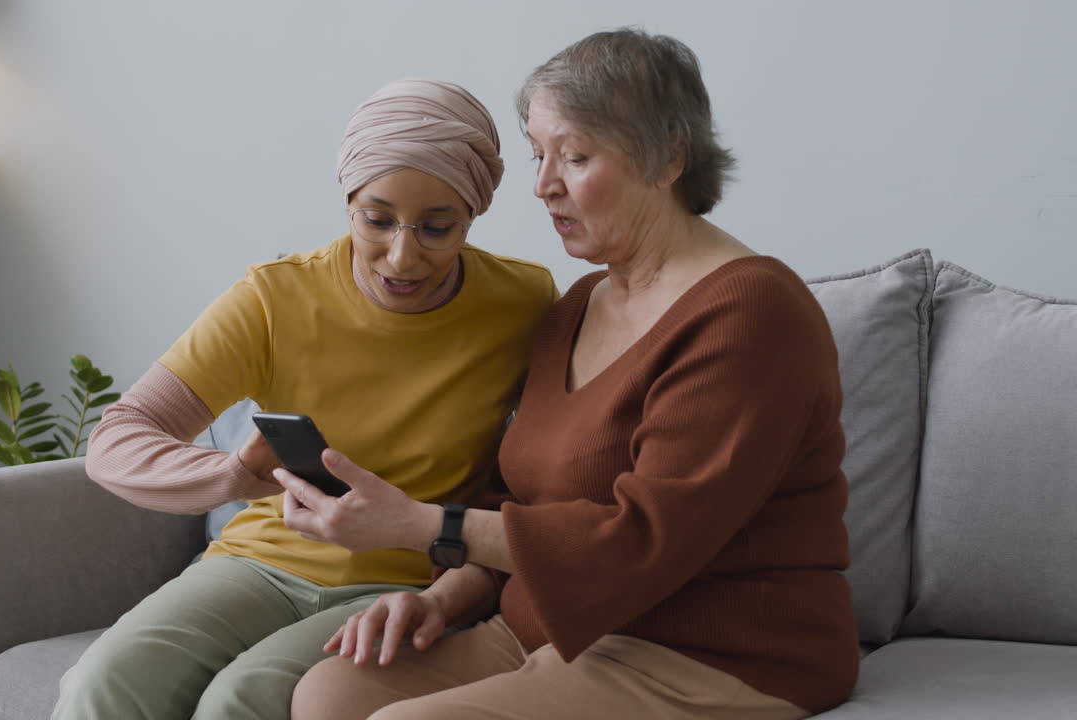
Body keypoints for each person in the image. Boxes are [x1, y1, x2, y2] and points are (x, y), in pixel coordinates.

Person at [280, 29, 859, 720]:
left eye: (575, 156)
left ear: (669, 158)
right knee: (331, 694)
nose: (543, 185)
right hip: (553, 630)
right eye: (538, 154)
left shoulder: (750, 314)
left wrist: (417, 524)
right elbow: (514, 501)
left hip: (709, 653)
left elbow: (641, 539)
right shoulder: (577, 306)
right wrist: (437, 598)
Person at [51, 78, 557, 720]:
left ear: (473, 216)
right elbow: (118, 437)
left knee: (241, 702)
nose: (402, 257)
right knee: (101, 683)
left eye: (436, 228)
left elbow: (543, 484)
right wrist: (231, 473)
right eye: (377, 220)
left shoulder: (526, 304)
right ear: (347, 202)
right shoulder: (273, 299)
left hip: (405, 580)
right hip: (255, 564)